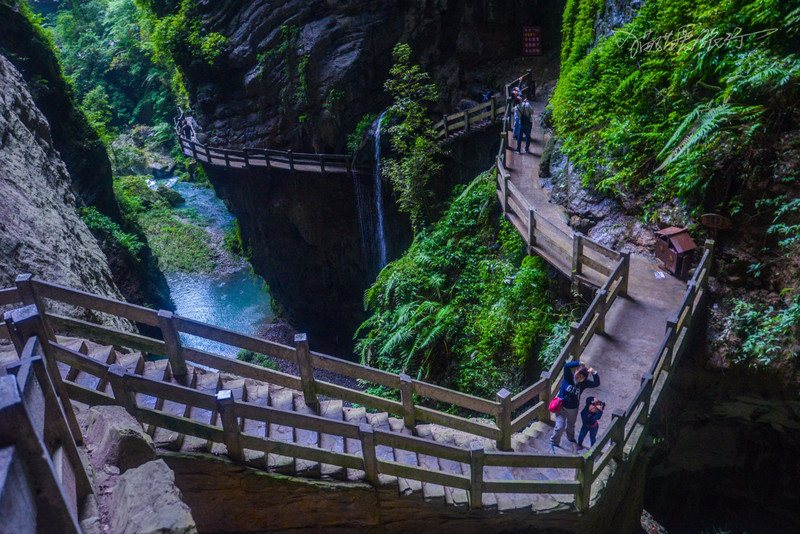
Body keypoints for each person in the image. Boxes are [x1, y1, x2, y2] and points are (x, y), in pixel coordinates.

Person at [550, 361, 600, 453]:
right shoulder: (568, 376)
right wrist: (578, 363)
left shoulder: (584, 383)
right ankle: (554, 441)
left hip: (573, 409)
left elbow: (596, 384)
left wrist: (594, 373)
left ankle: (571, 438)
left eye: (582, 377)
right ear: (576, 371)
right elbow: (566, 366)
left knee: (571, 425)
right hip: (561, 407)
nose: (579, 377)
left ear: (584, 379)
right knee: (559, 427)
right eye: (578, 374)